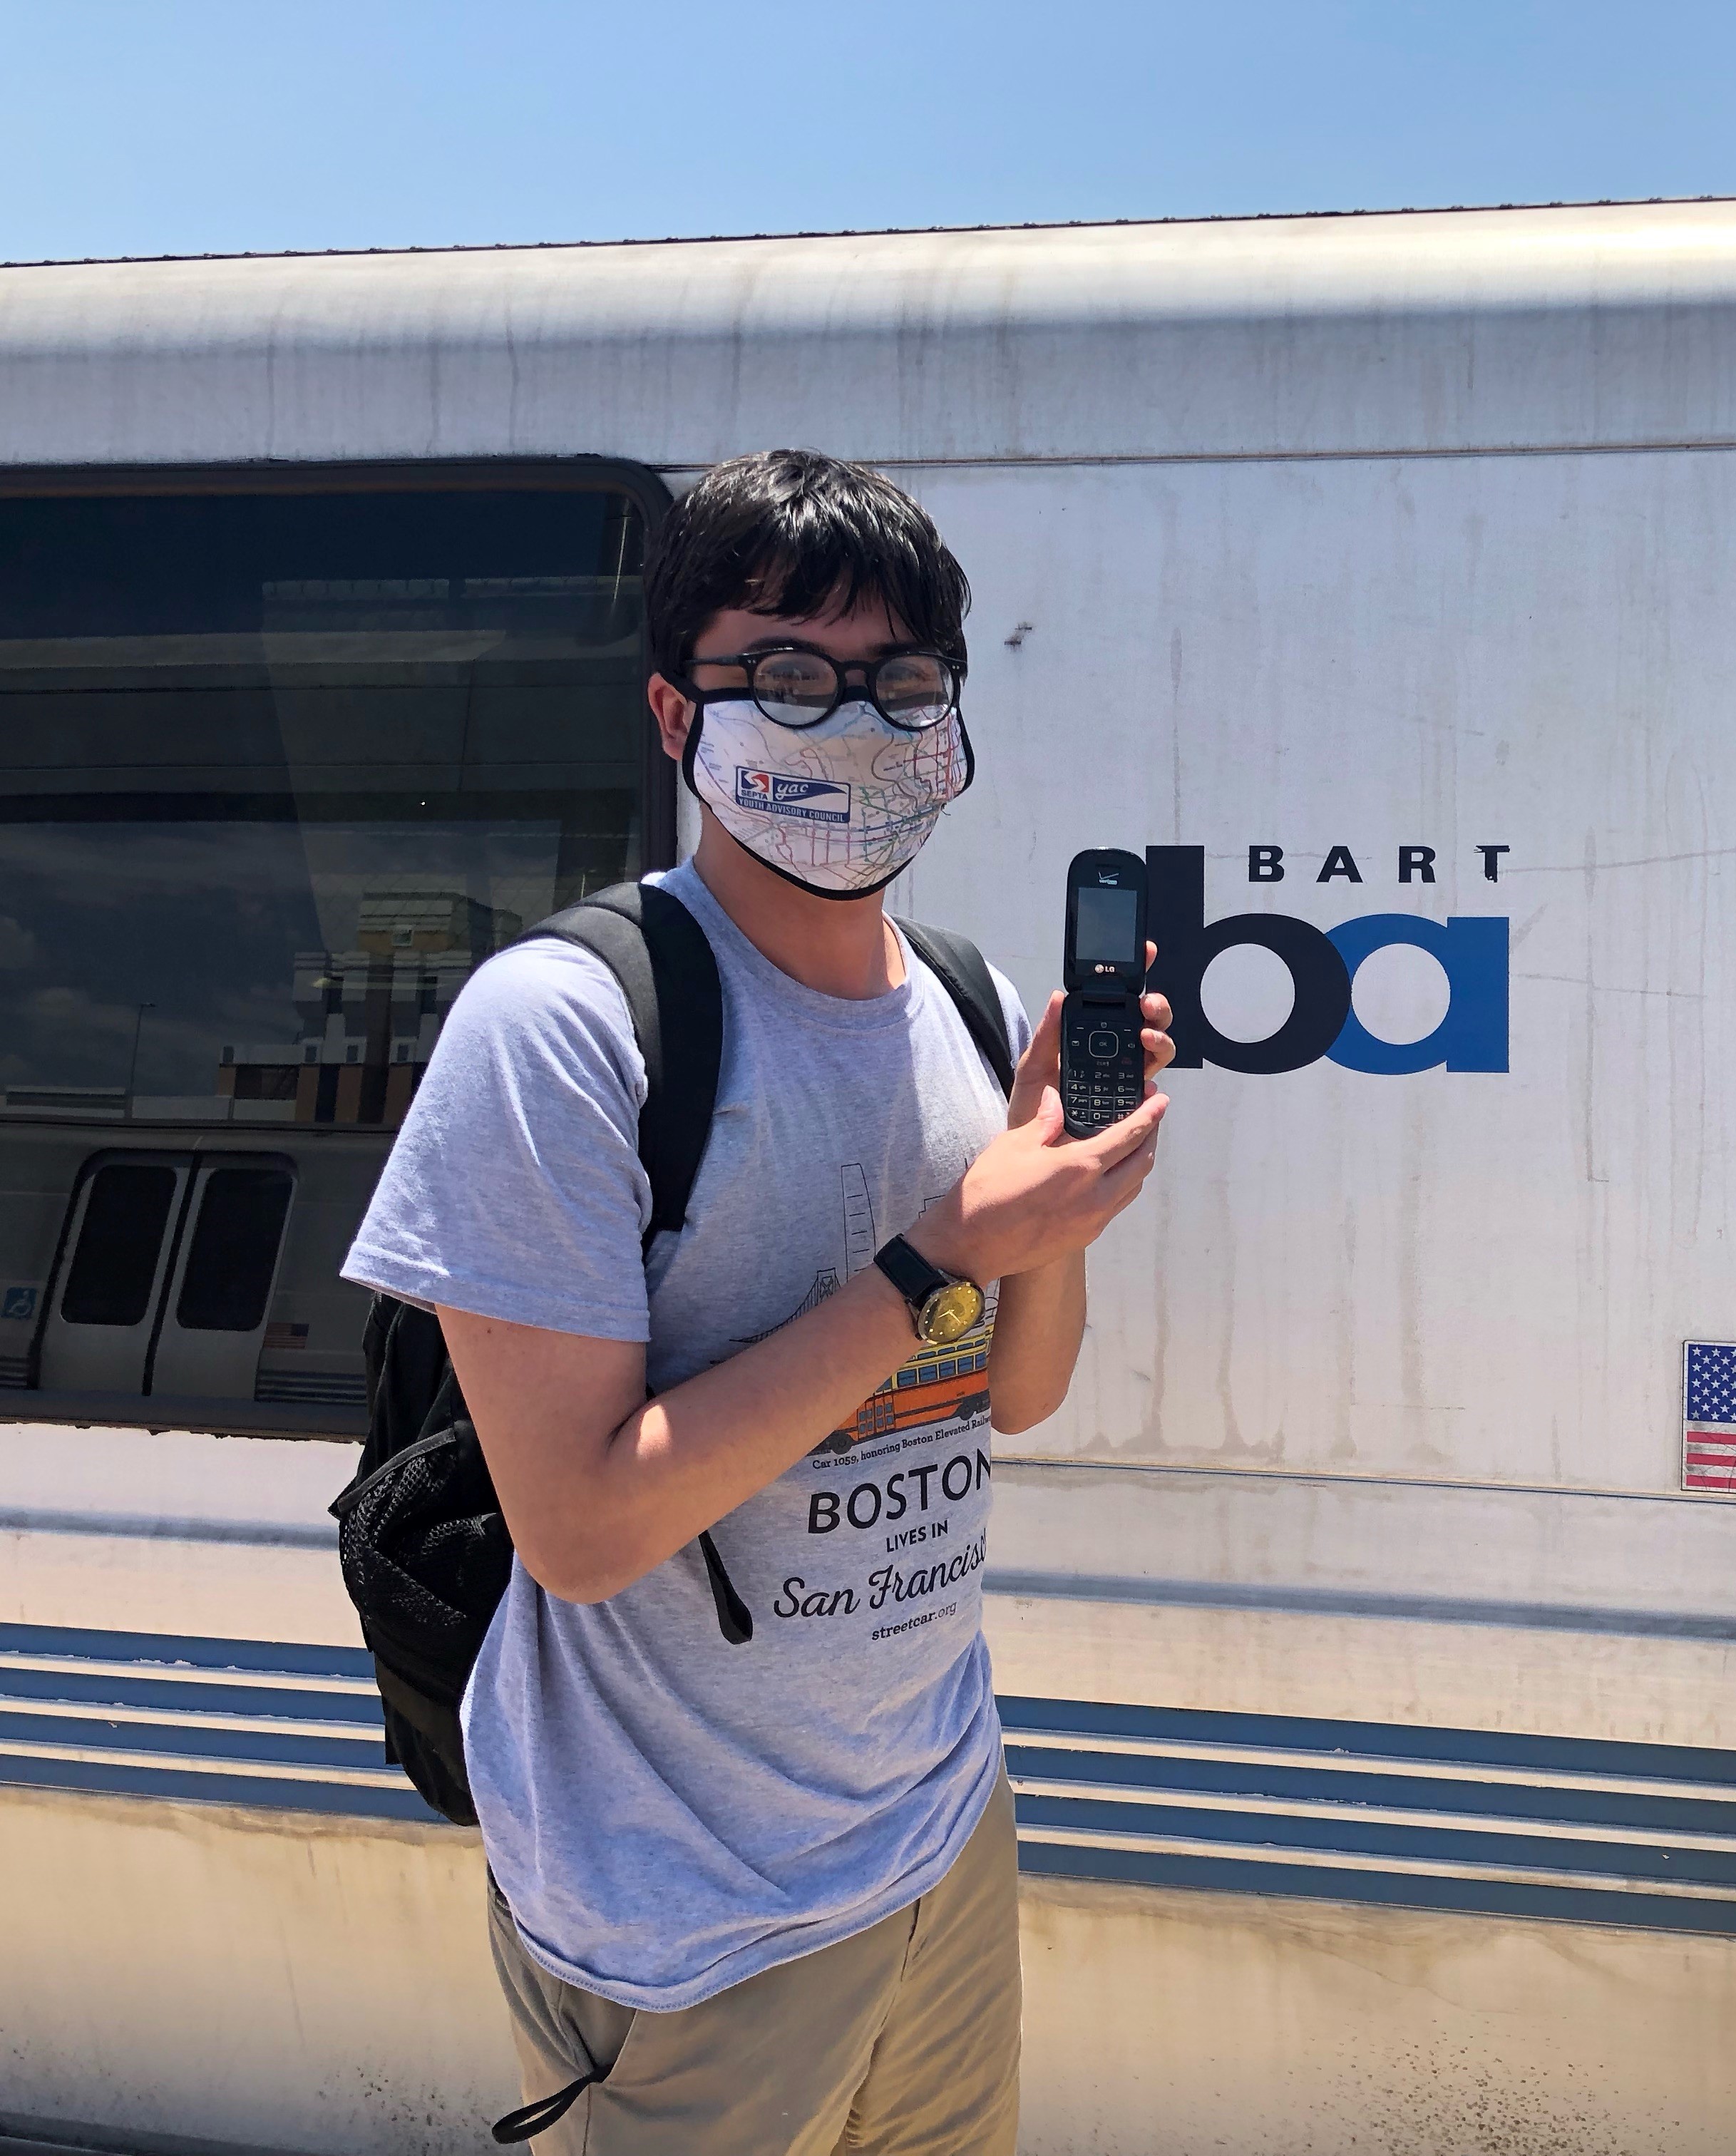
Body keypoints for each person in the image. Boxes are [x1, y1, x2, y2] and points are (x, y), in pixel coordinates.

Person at [343, 448, 1170, 2153]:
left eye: (900, 684)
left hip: (940, 1831)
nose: (851, 725)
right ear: (674, 715)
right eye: (785, 676)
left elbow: (1015, 1398)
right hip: (682, 1923)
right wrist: (942, 1247)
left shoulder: (968, 997)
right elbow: (577, 1526)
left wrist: (1054, 1212)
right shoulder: (563, 1026)